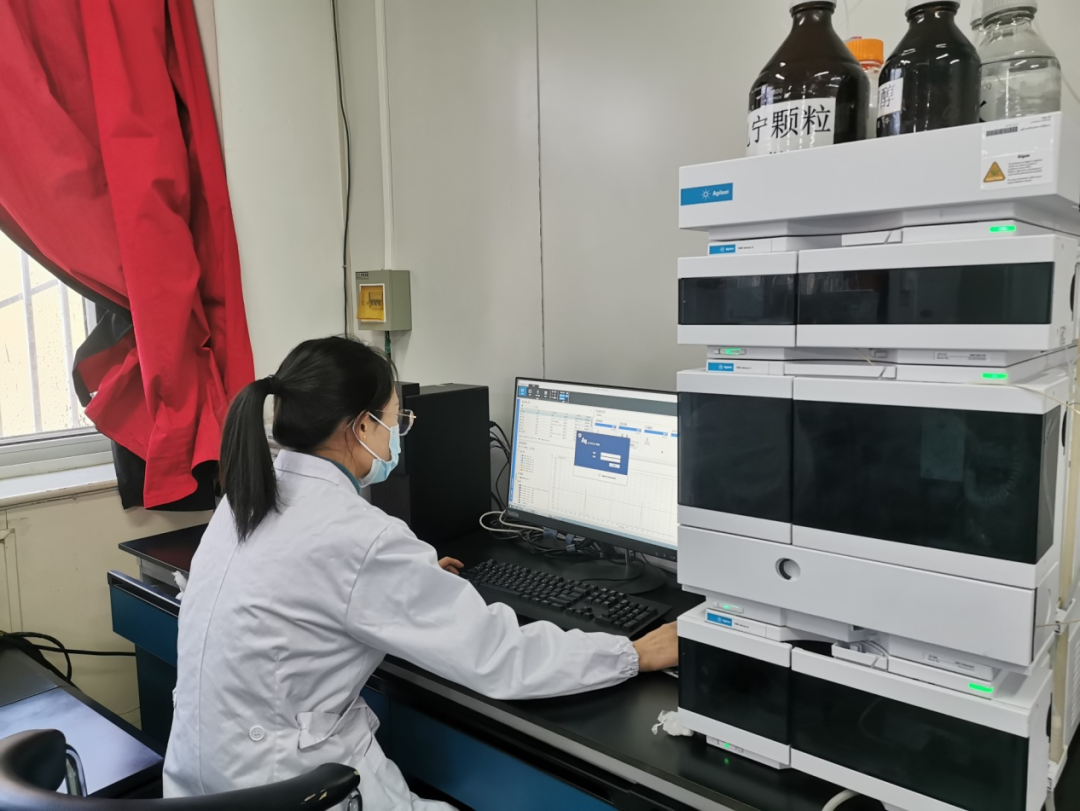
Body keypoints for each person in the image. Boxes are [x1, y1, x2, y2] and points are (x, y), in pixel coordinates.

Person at [163, 336, 678, 811]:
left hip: (201, 783)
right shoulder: (359, 537)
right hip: (294, 790)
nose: (398, 434)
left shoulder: (248, 496)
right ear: (361, 426)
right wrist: (632, 654)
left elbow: (306, 583)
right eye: (397, 419)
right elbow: (499, 658)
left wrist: (409, 579)